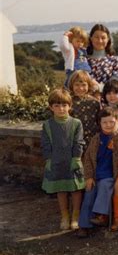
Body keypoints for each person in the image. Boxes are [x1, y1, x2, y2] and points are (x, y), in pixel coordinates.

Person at [77, 107, 118, 238]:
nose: (108, 125)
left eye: (112, 122)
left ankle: (102, 215)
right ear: (100, 124)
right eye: (104, 123)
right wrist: (89, 177)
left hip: (112, 175)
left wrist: (115, 138)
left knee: (105, 185)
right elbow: (88, 159)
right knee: (89, 193)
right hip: (96, 175)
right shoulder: (96, 139)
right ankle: (84, 225)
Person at [41, 88, 85, 230]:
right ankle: (65, 215)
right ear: (51, 107)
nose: (61, 109)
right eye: (57, 106)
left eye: (64, 105)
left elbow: (79, 142)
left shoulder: (76, 123)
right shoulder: (47, 125)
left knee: (76, 189)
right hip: (56, 162)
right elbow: (46, 144)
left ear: (70, 106)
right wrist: (48, 159)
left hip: (72, 160)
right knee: (61, 189)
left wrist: (76, 158)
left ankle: (75, 216)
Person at [68, 70, 101, 150]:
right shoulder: (68, 101)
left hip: (92, 140)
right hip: (74, 141)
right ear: (72, 85)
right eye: (77, 85)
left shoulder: (94, 102)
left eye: (84, 85)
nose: (80, 88)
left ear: (88, 86)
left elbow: (99, 120)